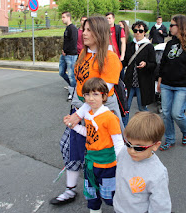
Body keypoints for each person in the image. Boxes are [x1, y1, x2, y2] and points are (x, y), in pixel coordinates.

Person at [50, 16, 123, 206]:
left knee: (111, 154)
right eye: (84, 29)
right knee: (70, 148)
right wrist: (75, 107)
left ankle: (120, 197)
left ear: (100, 32)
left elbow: (99, 96)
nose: (84, 33)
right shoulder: (84, 53)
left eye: (89, 30)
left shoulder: (110, 58)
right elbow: (79, 82)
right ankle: (71, 190)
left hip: (102, 114)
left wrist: (77, 115)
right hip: (81, 108)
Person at [72, 77, 123, 213]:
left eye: (95, 94)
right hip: (91, 163)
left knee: (111, 196)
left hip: (107, 165)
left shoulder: (110, 117)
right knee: (92, 195)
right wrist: (75, 127)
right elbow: (90, 134)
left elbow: (118, 141)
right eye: (87, 94)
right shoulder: (88, 114)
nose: (91, 98)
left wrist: (121, 161)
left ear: (104, 96)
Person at [157, 15, 186, 151]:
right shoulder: (170, 43)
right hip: (166, 84)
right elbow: (163, 64)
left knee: (177, 113)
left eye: (172, 25)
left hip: (183, 85)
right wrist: (159, 81)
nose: (169, 28)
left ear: (180, 27)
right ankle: (170, 139)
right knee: (166, 113)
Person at [113, 111, 171, 213]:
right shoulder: (123, 152)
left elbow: (160, 206)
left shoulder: (158, 173)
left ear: (155, 145)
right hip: (119, 208)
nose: (131, 150)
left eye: (139, 148)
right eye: (128, 144)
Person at [122, 21, 157, 126]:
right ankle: (124, 130)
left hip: (143, 82)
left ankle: (148, 126)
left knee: (142, 106)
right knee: (125, 106)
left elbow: (154, 64)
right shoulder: (130, 45)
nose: (138, 33)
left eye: (140, 31)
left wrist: (146, 64)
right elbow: (125, 61)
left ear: (145, 32)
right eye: (135, 31)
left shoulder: (149, 47)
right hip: (130, 81)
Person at [59, 11, 78, 101]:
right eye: (62, 17)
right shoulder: (67, 28)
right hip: (65, 54)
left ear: (68, 17)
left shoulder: (73, 28)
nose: (62, 19)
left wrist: (66, 51)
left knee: (71, 75)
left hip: (71, 55)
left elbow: (73, 42)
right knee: (61, 72)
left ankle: (73, 92)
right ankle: (72, 86)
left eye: (63, 17)